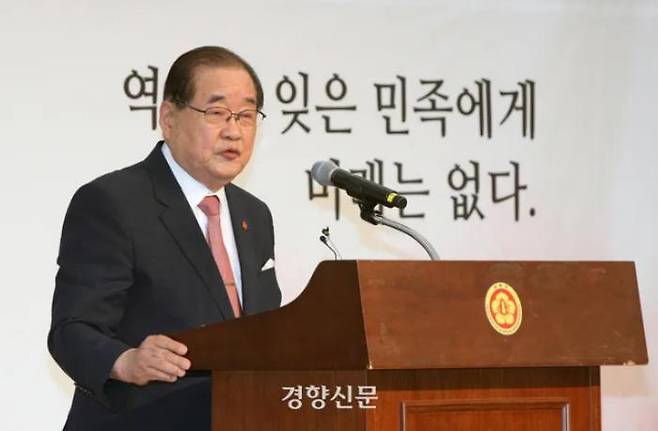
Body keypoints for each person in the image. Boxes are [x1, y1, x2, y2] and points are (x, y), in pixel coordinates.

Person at [48, 46, 281, 430]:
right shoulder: (114, 202)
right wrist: (126, 361)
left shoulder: (254, 215)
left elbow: (262, 332)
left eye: (246, 115)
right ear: (169, 118)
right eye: (217, 113)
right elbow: (72, 330)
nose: (234, 131)